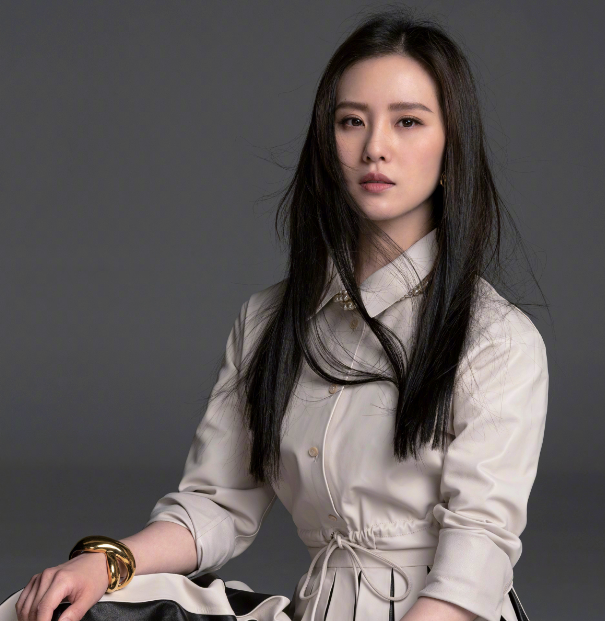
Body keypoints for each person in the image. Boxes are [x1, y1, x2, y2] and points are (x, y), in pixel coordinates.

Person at [7, 8, 549, 621]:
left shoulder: (495, 338)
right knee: (63, 607)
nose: (375, 147)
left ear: (451, 150)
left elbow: (476, 558)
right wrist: (106, 563)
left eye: (408, 122)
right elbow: (218, 504)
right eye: (352, 121)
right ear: (326, 144)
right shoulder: (269, 322)